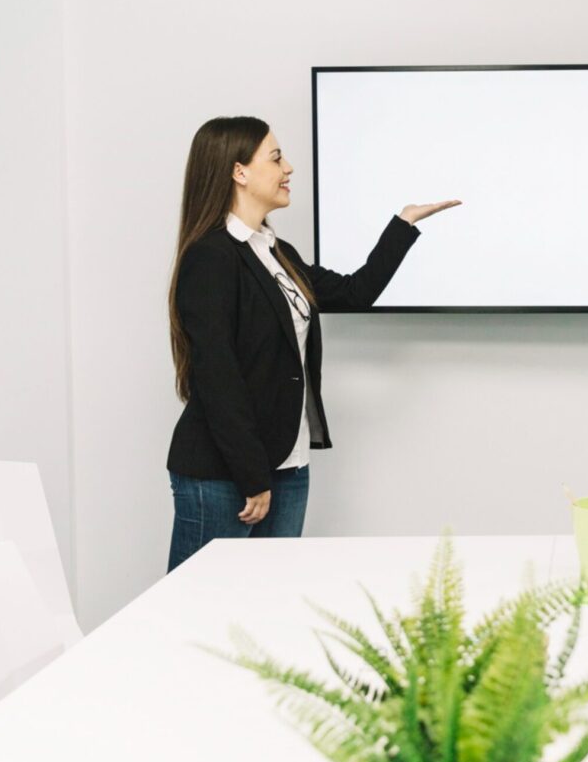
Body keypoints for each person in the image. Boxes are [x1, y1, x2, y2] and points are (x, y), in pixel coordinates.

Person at [164, 115, 458, 569]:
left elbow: (355, 293)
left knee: (270, 605)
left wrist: (404, 223)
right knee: (198, 613)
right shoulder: (211, 257)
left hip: (287, 465)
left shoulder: (274, 251)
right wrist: (252, 476)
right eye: (276, 157)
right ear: (239, 172)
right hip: (226, 474)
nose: (289, 168)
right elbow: (217, 376)